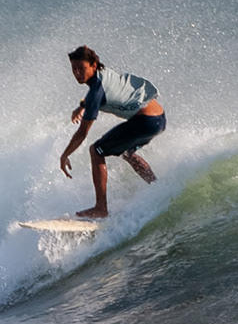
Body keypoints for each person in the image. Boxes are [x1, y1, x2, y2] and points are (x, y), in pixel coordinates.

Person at [58, 45, 166, 218]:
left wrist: (64, 155)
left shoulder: (96, 92)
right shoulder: (103, 72)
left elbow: (82, 133)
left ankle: (100, 208)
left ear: (93, 65)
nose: (77, 73)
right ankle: (158, 188)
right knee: (127, 153)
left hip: (145, 121)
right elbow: (98, 90)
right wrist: (82, 106)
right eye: (74, 69)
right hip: (159, 118)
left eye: (81, 68)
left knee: (96, 150)